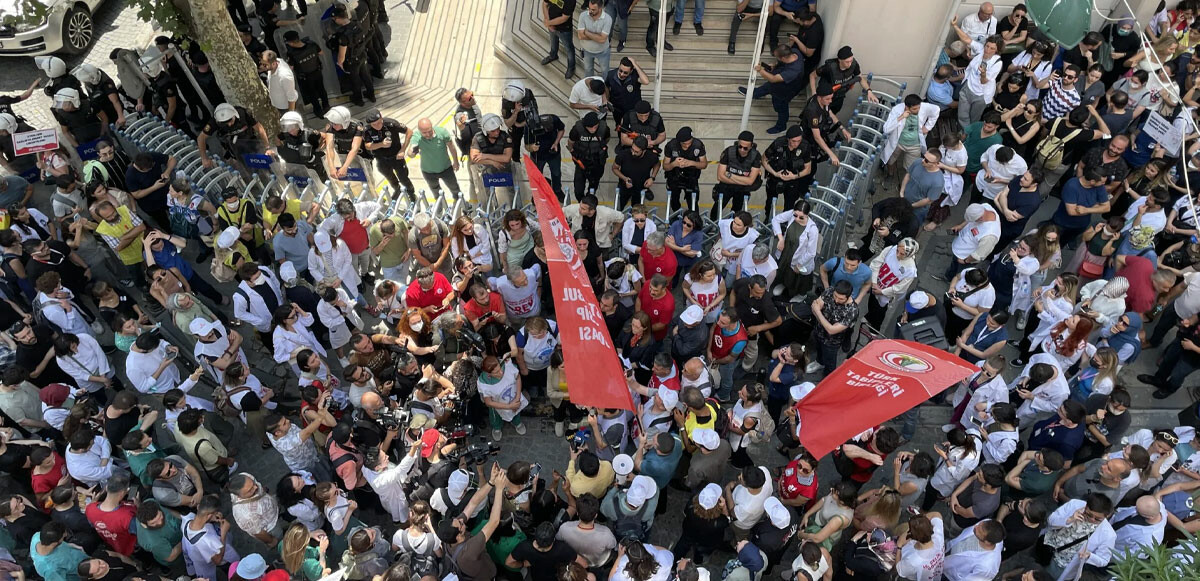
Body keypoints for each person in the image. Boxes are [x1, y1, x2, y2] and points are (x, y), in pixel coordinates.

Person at [712, 131, 763, 219]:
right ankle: (712, 225)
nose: (742, 150)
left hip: (742, 190)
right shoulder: (729, 152)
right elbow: (720, 176)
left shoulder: (755, 156)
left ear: (751, 147)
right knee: (717, 208)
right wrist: (743, 180)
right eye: (740, 147)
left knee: (737, 212)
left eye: (745, 148)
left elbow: (750, 181)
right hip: (726, 187)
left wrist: (730, 175)